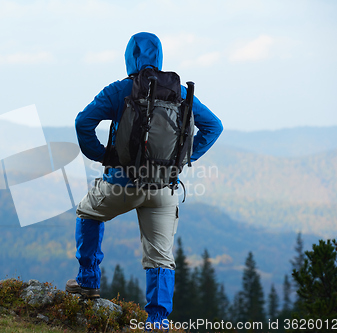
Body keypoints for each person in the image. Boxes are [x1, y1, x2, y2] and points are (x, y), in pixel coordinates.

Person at [65, 32, 223, 327]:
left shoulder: (120, 90)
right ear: (159, 57)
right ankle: (158, 321)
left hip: (123, 182)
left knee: (88, 212)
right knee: (161, 257)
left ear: (130, 58)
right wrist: (186, 158)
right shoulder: (180, 93)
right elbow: (214, 126)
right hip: (165, 186)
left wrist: (102, 155)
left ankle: (87, 282)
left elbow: (82, 122)